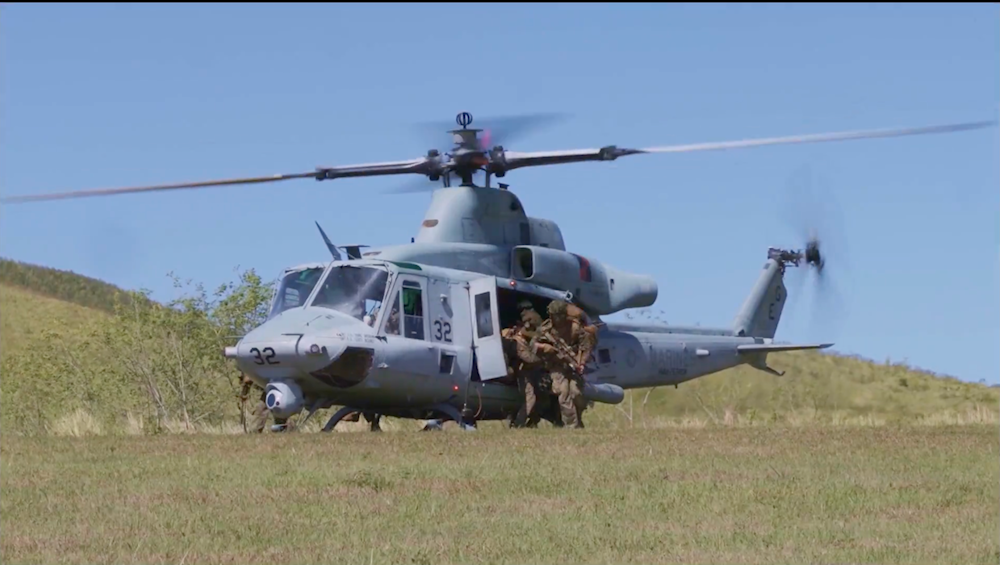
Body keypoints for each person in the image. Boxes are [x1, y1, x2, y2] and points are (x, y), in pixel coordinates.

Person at [535, 300, 598, 428]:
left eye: (559, 315)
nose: (557, 319)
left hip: (574, 365)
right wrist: (544, 347)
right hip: (556, 366)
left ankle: (577, 420)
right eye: (554, 315)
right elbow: (533, 344)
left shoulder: (574, 327)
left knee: (575, 393)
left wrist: (582, 362)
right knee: (563, 392)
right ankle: (571, 425)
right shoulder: (545, 329)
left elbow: (585, 345)